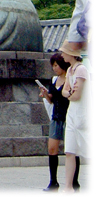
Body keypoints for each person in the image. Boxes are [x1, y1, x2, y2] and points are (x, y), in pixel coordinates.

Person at [60, 41, 90, 192]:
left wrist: (69, 93)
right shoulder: (71, 70)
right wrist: (69, 93)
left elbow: (75, 95)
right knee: (70, 151)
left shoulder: (81, 70)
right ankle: (67, 187)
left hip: (83, 114)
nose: (62, 55)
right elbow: (65, 91)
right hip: (72, 114)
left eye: (64, 52)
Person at [39, 53, 71, 191]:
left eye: (56, 65)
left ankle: (73, 182)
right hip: (56, 117)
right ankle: (53, 181)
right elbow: (52, 99)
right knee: (52, 149)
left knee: (70, 150)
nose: (54, 68)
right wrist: (45, 94)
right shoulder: (54, 80)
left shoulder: (70, 79)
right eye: (53, 66)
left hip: (68, 117)